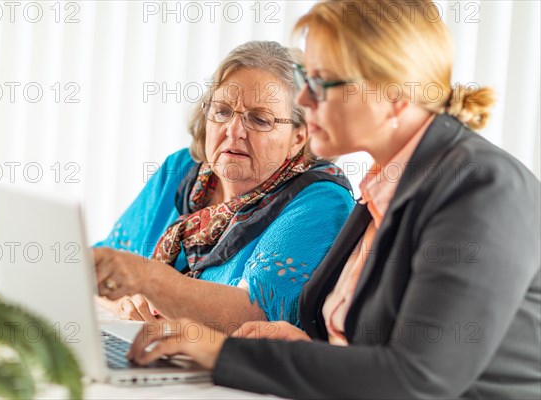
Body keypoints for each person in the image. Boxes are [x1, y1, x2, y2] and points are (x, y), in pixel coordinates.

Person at [125, 1, 541, 399]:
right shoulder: (385, 185)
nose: (303, 101)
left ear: (393, 94)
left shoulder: (481, 186)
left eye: (321, 82)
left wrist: (221, 353)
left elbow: (418, 379)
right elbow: (368, 353)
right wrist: (306, 345)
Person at [94, 41, 355, 329]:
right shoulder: (179, 170)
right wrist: (121, 303)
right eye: (222, 111)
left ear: (299, 137)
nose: (234, 131)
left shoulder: (321, 200)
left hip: (230, 369)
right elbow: (97, 272)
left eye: (259, 119)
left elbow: (251, 316)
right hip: (146, 354)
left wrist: (148, 280)